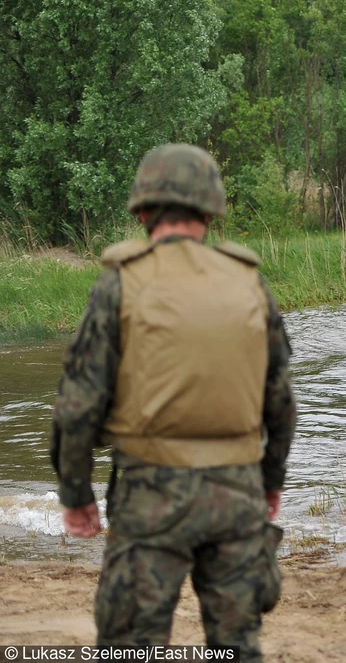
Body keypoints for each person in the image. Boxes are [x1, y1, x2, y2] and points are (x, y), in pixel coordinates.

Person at [50, 144, 297, 659]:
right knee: (237, 645)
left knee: (131, 645)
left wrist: (76, 493)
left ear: (142, 211)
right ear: (209, 213)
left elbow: (79, 404)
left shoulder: (119, 282)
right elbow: (280, 402)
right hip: (237, 495)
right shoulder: (250, 283)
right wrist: (270, 482)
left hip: (149, 494)